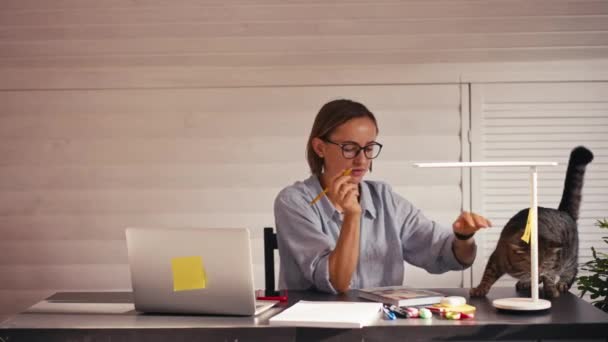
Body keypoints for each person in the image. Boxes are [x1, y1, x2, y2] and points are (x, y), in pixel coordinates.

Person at [274, 99, 491, 294]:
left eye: (369, 148)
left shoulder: (385, 199)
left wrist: (463, 237)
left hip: (380, 324)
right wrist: (352, 215)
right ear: (320, 147)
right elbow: (336, 281)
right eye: (349, 148)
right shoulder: (294, 201)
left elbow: (445, 254)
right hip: (314, 327)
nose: (361, 160)